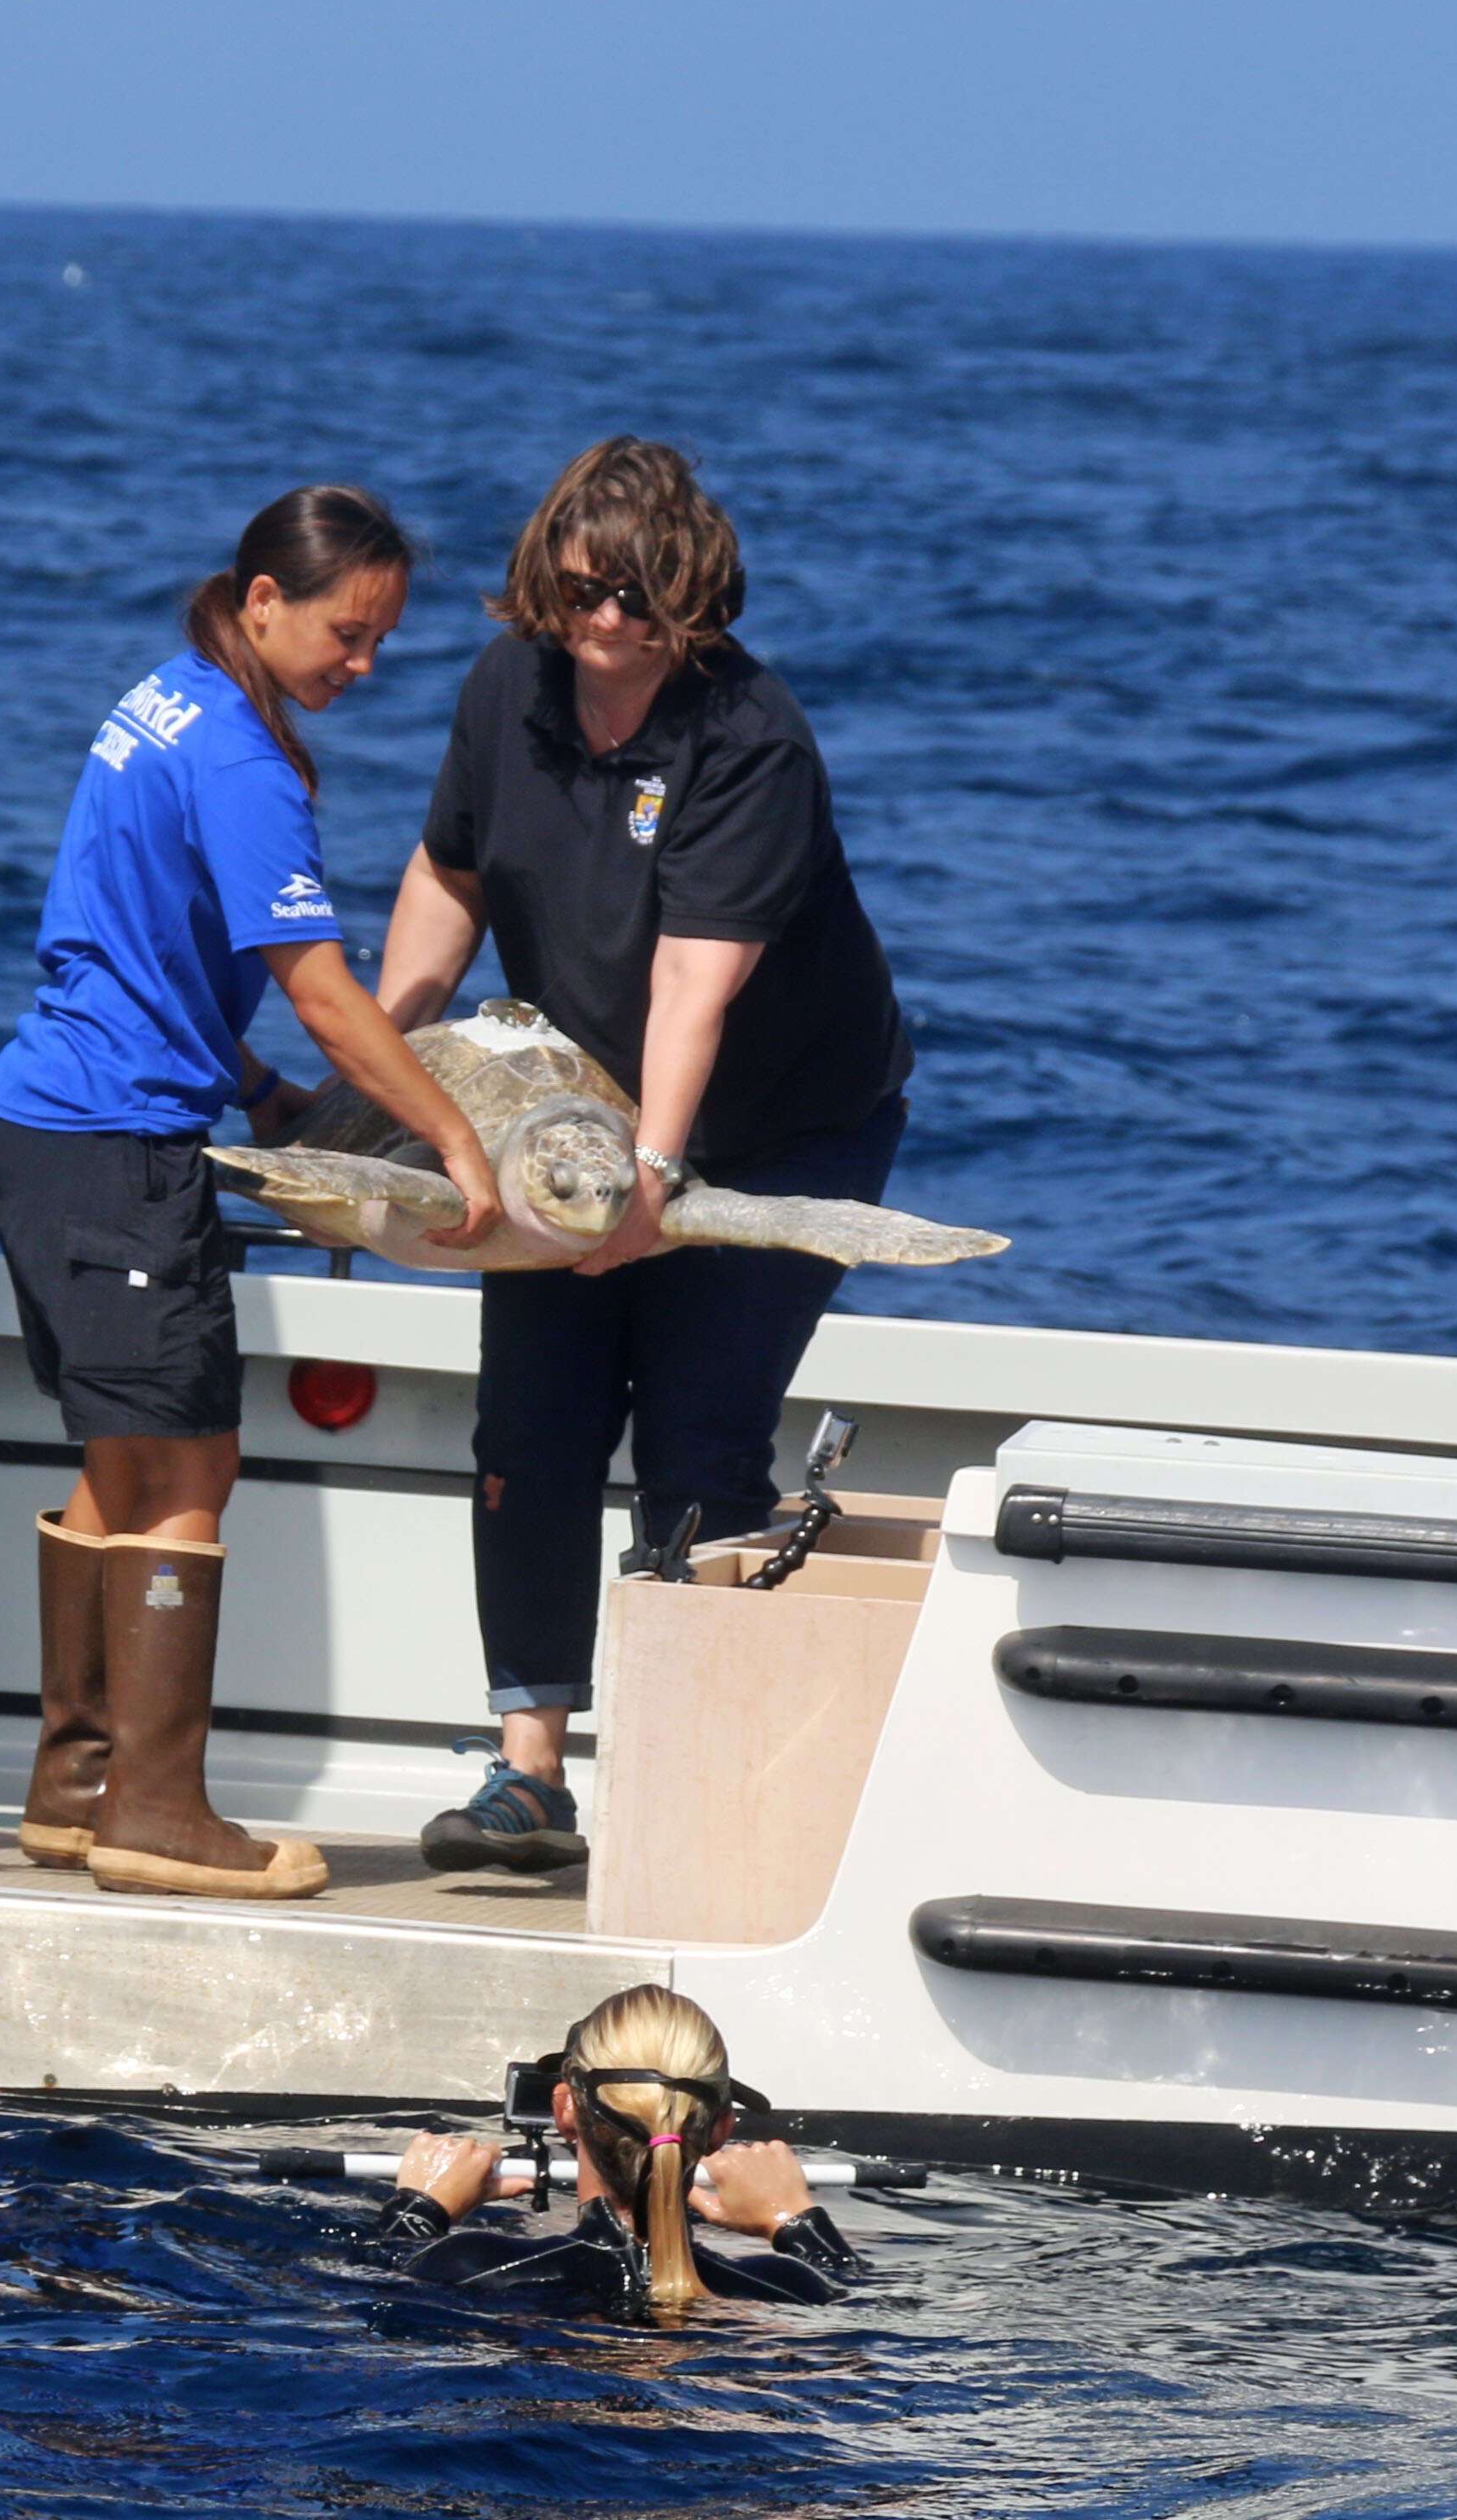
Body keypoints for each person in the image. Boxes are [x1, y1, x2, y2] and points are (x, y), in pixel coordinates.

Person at [373, 438, 915, 1876]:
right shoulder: (509, 689)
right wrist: (377, 1047)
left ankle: (706, 1767)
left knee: (695, 1432)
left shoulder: (750, 739)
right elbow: (449, 867)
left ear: (693, 599)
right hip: (577, 1112)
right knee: (531, 1426)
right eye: (581, 591)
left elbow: (694, 981)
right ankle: (528, 1770)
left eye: (638, 598)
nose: (606, 622)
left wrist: (656, 1183)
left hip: (776, 1120)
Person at [0, 485, 508, 1903]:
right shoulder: (247, 763)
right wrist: (452, 1133)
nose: (362, 664)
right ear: (261, 598)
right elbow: (324, 986)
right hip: (112, 1144)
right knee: (194, 1467)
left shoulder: (168, 697)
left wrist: (254, 1092)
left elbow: (147, 939)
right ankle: (156, 1810)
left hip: (37, 1128)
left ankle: (75, 1789)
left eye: (383, 639)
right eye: (347, 630)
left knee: (121, 1459)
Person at [375, 1983, 867, 2315]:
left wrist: (417, 2212)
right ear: (720, 2129)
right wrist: (798, 2223)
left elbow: (366, 2291)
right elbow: (864, 2305)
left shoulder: (466, 2266)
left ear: (564, 2110)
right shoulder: (792, 2288)